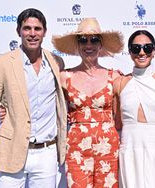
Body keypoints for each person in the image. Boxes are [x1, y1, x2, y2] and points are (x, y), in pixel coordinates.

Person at [0, 8, 67, 188]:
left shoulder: (57, 62)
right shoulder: (1, 63)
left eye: (37, 29)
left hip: (46, 153)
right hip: (12, 150)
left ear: (44, 32)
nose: (32, 34)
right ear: (18, 31)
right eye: (27, 28)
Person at [52, 18, 124, 187]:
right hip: (76, 147)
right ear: (77, 45)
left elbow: (123, 114)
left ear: (101, 44)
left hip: (108, 148)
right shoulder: (64, 77)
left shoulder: (114, 77)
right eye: (83, 40)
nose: (88, 45)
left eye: (94, 40)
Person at [113, 30, 155, 188]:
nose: (142, 52)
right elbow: (117, 122)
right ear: (129, 52)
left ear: (154, 51)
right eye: (136, 48)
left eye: (147, 48)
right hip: (130, 147)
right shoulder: (120, 83)